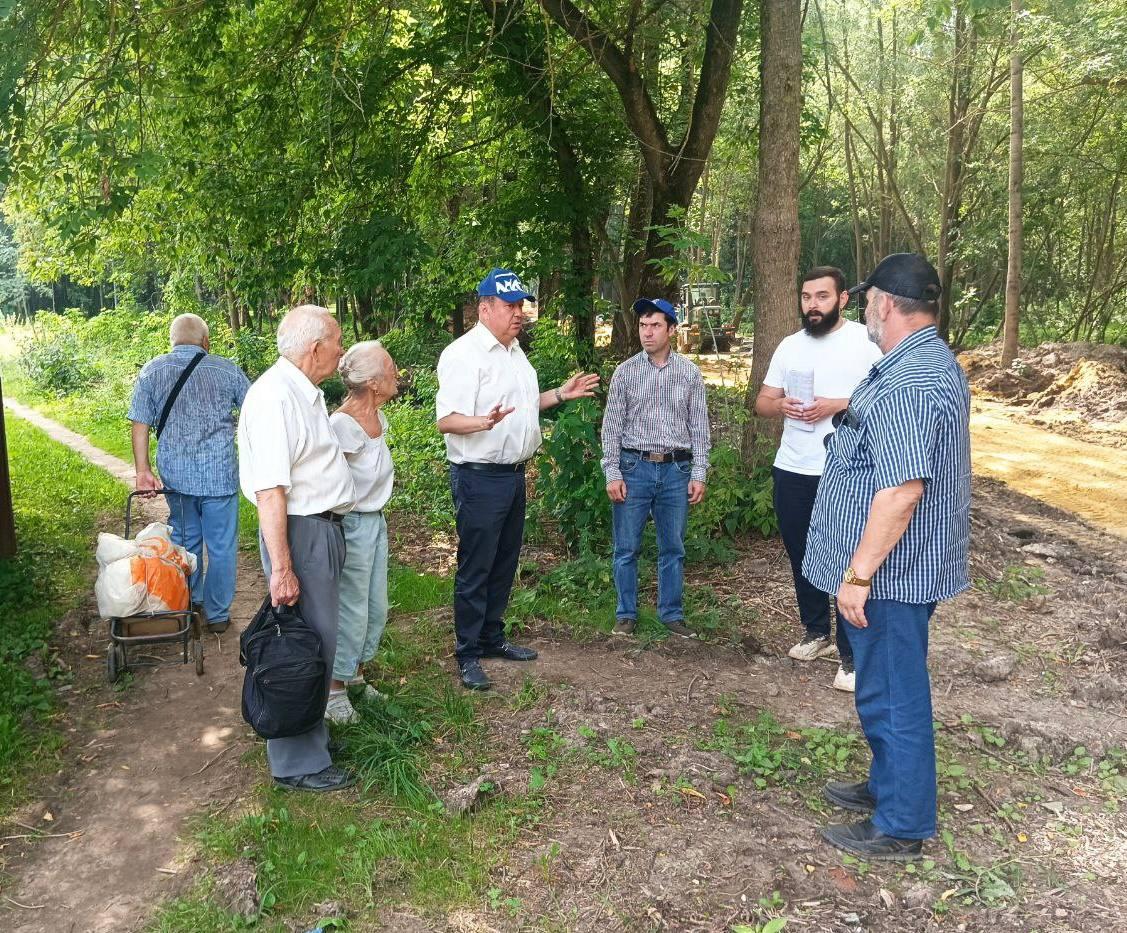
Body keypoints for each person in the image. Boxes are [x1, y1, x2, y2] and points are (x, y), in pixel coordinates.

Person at [803, 253, 971, 859]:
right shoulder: (919, 361)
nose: (866, 311)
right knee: (881, 685)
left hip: (891, 575)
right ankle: (887, 784)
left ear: (887, 304)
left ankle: (901, 824)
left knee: (894, 692)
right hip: (896, 568)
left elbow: (902, 491)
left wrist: (858, 574)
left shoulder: (910, 382)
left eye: (870, 301)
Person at [436, 268, 599, 691]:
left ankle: (492, 637)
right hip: (478, 477)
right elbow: (447, 420)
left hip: (512, 475)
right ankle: (467, 653)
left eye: (521, 305)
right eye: (510, 305)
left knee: (504, 561)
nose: (519, 313)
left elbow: (523, 407)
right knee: (476, 566)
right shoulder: (464, 355)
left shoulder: (515, 353)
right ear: (484, 308)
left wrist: (560, 394)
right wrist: (482, 422)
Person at [237, 305, 356, 792]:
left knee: (318, 641)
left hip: (317, 531)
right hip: (301, 534)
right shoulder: (275, 397)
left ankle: (311, 740)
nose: (342, 350)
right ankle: (297, 763)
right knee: (298, 647)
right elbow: (270, 491)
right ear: (315, 348)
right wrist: (283, 569)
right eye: (338, 341)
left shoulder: (301, 392)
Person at [754, 267, 882, 691]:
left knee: (847, 558)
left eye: (822, 296)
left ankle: (852, 654)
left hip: (847, 471)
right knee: (802, 553)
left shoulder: (866, 341)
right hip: (793, 466)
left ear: (843, 299)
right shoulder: (790, 346)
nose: (813, 304)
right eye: (807, 296)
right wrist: (782, 406)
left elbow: (887, 398)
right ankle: (816, 632)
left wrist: (836, 404)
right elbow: (762, 402)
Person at [128, 313, 251, 634]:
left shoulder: (153, 370)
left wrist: (143, 470)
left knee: (185, 539)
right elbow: (255, 412)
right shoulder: (227, 370)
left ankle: (190, 602)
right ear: (205, 341)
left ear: (172, 341)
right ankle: (218, 615)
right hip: (219, 476)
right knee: (221, 546)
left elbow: (140, 423)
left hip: (177, 478)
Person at [601, 298, 710, 638]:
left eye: (655, 326)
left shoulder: (689, 373)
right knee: (626, 548)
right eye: (643, 326)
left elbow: (699, 427)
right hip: (634, 467)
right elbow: (611, 426)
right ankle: (626, 614)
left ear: (672, 329)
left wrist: (699, 472)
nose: (647, 333)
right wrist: (612, 472)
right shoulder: (625, 372)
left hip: (676, 470)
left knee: (673, 548)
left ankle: (671, 614)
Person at [324, 341, 398, 724]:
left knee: (375, 604)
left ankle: (354, 674)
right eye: (390, 367)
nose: (396, 373)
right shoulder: (342, 426)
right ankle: (333, 691)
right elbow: (329, 483)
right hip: (351, 524)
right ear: (372, 382)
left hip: (375, 521)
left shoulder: (378, 417)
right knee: (351, 607)